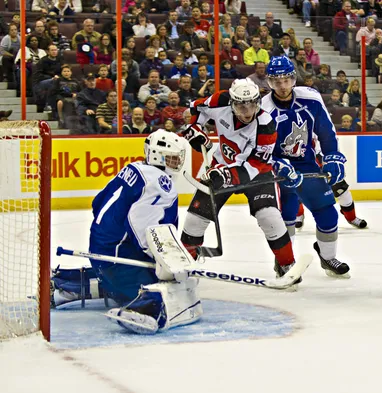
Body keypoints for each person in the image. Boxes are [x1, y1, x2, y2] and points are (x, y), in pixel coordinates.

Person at [53, 130, 203, 335]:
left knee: (119, 280)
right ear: (158, 156)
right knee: (173, 284)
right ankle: (147, 309)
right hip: (118, 258)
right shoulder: (161, 183)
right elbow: (142, 228)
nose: (176, 163)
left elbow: (97, 203)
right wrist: (166, 262)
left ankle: (65, 284)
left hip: (102, 252)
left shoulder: (132, 168)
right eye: (172, 158)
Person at [180, 78, 304, 282]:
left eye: (252, 104)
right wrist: (195, 129)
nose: (247, 111)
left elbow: (255, 165)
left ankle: (286, 264)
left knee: (270, 217)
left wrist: (227, 175)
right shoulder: (220, 100)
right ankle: (184, 264)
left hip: (257, 173)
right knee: (195, 219)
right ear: (232, 102)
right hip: (220, 166)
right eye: (240, 105)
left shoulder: (266, 125)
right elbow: (195, 109)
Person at [263, 56, 352, 278]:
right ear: (269, 83)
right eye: (276, 82)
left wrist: (332, 155)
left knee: (328, 214)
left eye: (286, 80)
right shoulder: (262, 108)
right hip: (278, 171)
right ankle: (284, 263)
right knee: (285, 219)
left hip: (306, 165)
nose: (282, 87)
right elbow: (257, 147)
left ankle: (327, 256)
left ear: (294, 79)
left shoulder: (311, 99)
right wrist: (275, 164)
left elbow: (326, 131)